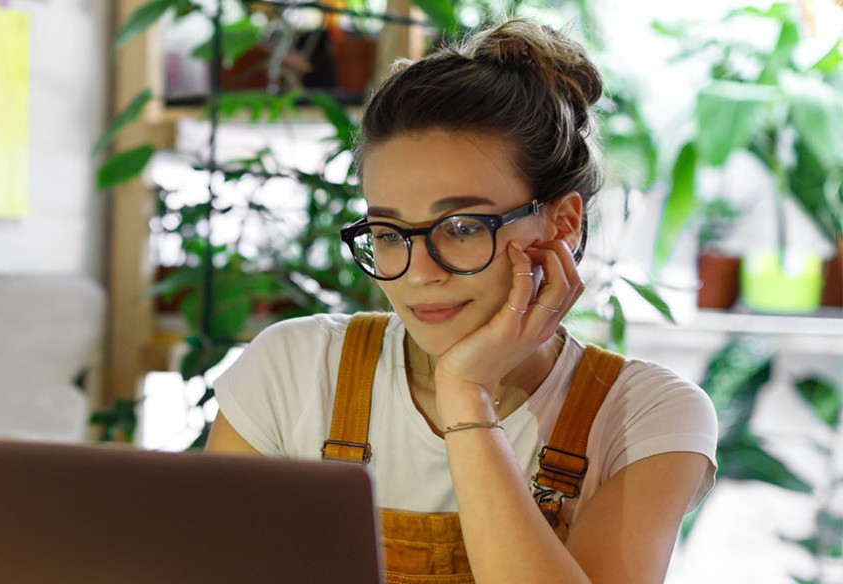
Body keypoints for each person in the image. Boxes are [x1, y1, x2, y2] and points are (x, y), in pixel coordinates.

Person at [205, 19, 718, 584]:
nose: (419, 273)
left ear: (562, 224)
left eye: (463, 226)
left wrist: (465, 394)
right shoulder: (296, 369)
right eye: (388, 232)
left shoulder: (644, 416)